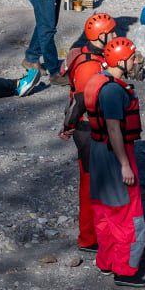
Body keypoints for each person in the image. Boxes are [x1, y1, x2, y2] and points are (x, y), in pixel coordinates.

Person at [82, 37, 145, 288]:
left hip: (98, 153)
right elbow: (114, 129)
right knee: (127, 215)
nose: (135, 61)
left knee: (104, 212)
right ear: (121, 61)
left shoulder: (97, 80)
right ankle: (125, 271)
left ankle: (106, 262)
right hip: (114, 154)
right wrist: (124, 164)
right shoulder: (112, 91)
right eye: (132, 58)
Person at [59, 13, 116, 254]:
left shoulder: (78, 53)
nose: (115, 35)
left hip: (84, 127)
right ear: (101, 36)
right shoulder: (91, 67)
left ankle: (93, 233)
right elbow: (81, 101)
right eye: (112, 32)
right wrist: (69, 127)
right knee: (91, 184)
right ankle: (89, 237)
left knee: (92, 182)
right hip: (87, 129)